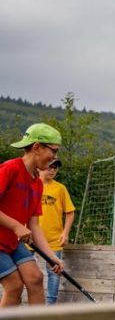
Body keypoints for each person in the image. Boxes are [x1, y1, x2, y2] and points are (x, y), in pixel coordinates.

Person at [0, 123, 65, 306]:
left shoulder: (37, 183)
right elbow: (20, 225)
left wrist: (52, 256)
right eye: (53, 150)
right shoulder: (10, 169)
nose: (54, 157)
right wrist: (16, 226)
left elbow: (34, 225)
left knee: (36, 278)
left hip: (11, 243)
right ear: (37, 147)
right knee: (14, 286)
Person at [36, 158, 75, 304]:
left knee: (54, 273)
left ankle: (50, 305)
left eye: (55, 168)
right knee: (28, 273)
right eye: (50, 167)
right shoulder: (31, 185)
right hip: (30, 240)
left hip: (53, 239)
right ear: (40, 167)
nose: (52, 170)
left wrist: (65, 232)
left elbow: (70, 212)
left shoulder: (60, 189)